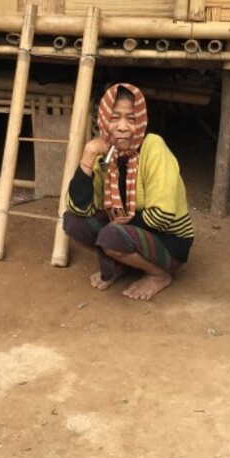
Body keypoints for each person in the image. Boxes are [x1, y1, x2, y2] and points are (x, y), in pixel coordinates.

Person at [63, 83, 194, 301]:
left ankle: (159, 275)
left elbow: (162, 215)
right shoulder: (106, 155)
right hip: (129, 230)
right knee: (73, 222)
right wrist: (87, 156)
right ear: (103, 120)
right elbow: (78, 207)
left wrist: (115, 231)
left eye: (131, 119)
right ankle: (121, 261)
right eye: (114, 118)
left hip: (169, 239)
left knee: (110, 235)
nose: (122, 127)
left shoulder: (153, 146)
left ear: (141, 121)